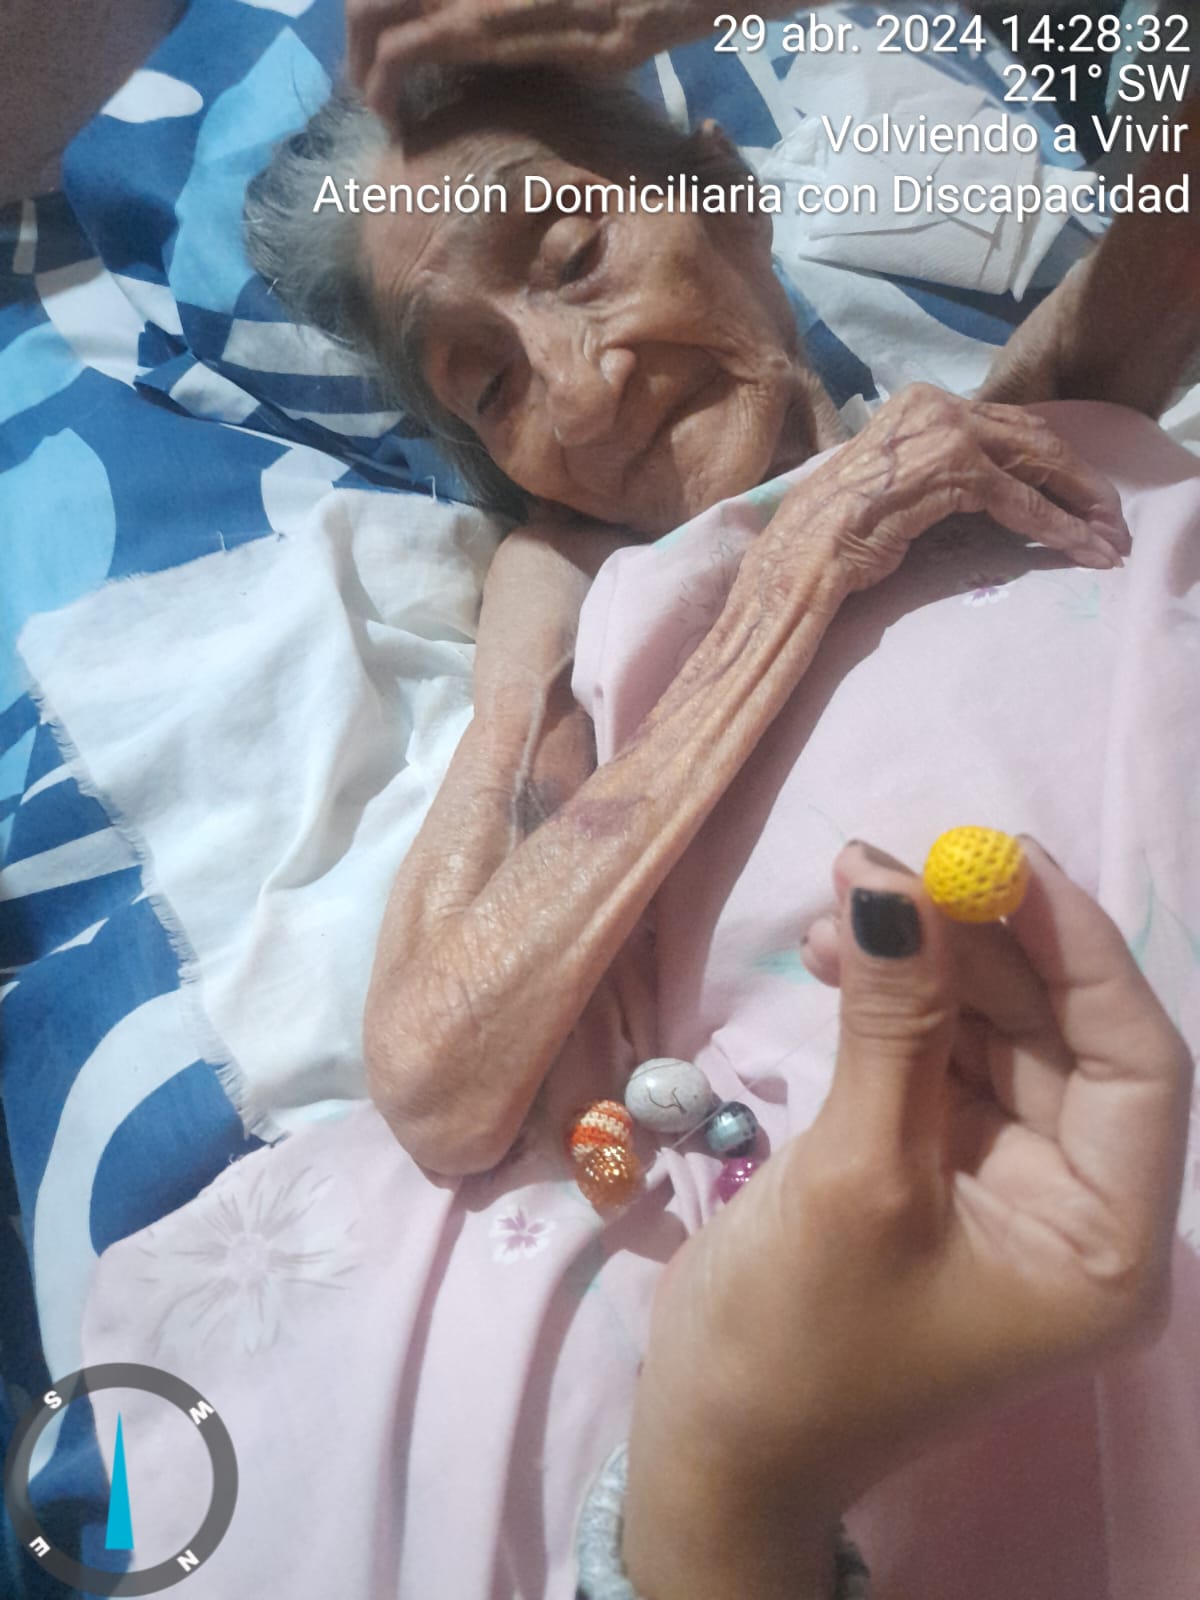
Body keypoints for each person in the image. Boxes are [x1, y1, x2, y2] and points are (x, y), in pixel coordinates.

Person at [241, 25, 1199, 1598]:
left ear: (725, 192)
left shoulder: (1008, 430)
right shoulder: (607, 615)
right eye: (488, 384)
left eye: (572, 255)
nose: (576, 388)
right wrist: (765, 588)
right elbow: (437, 1068)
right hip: (1015, 1248)